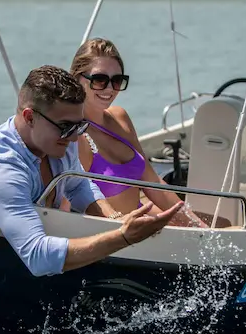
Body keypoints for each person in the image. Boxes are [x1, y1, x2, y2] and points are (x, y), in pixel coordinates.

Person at [0, 65, 184, 277]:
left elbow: (79, 184)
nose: (74, 137)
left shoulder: (60, 139)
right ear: (29, 117)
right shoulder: (1, 170)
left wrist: (115, 219)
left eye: (80, 127)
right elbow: (38, 257)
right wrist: (123, 237)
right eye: (66, 127)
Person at [67, 38, 216, 228]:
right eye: (100, 80)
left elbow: (152, 182)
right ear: (77, 78)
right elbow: (70, 205)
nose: (110, 89)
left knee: (223, 224)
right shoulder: (76, 137)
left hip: (143, 217)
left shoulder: (120, 118)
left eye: (117, 80)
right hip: (119, 235)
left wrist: (195, 225)